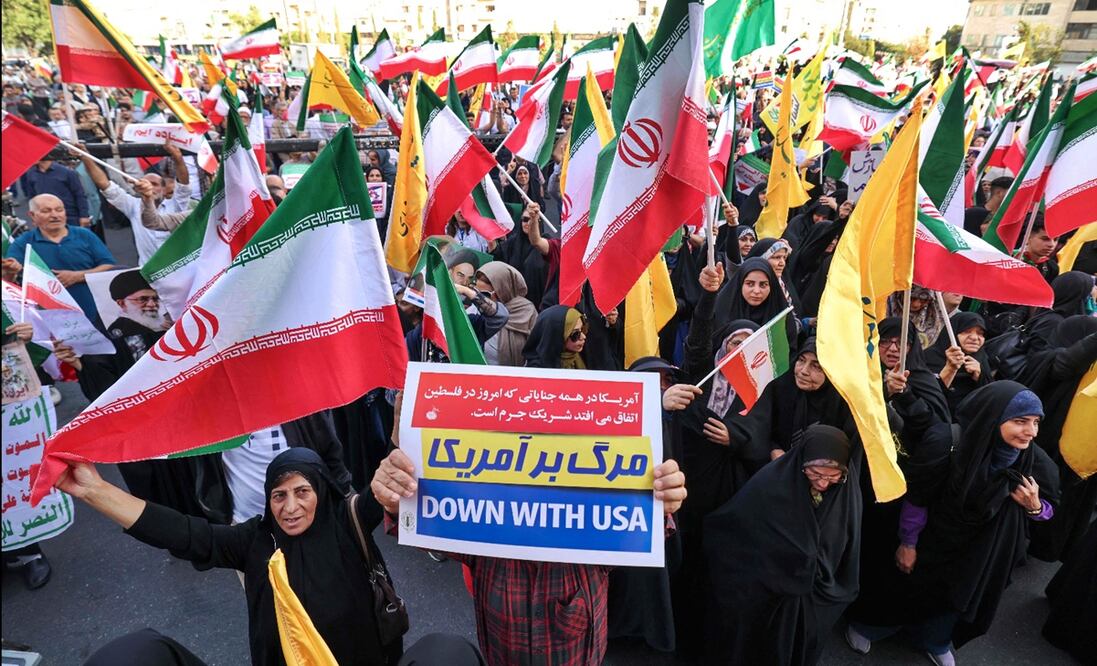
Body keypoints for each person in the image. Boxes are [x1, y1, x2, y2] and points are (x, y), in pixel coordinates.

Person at [54, 448, 404, 665]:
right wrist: (95, 491)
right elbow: (183, 532)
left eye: (302, 492)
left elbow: (392, 478)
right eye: (278, 496)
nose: (291, 507)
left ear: (322, 491)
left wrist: (401, 427)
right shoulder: (253, 540)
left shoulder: (349, 518)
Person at [371, 429, 687, 665]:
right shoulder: (483, 529)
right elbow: (422, 521)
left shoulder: (587, 527)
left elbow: (637, 529)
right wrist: (398, 499)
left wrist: (660, 505)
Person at [904, 382, 1059, 665]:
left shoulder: (1035, 462)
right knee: (909, 588)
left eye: (1036, 422)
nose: (1031, 432)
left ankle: (936, 641)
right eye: (1020, 421)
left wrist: (1034, 507)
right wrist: (908, 542)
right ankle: (880, 625)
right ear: (994, 416)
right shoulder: (947, 442)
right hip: (932, 540)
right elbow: (917, 497)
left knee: (957, 598)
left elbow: (1049, 511)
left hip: (981, 554)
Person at [703, 425, 862, 665]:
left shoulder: (846, 491)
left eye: (832, 476)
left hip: (815, 591)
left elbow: (846, 542)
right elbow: (741, 533)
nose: (823, 483)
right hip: (768, 586)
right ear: (800, 462)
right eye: (815, 473)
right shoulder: (771, 483)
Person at [4, 193, 115, 328]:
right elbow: (9, 281)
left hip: (99, 315)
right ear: (32, 215)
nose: (55, 215)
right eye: (46, 211)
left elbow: (109, 266)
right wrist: (11, 271)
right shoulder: (23, 244)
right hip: (54, 322)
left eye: (59, 209)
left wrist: (78, 276)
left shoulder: (84, 235)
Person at [80, 143, 192, 263]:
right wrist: (85, 157)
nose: (149, 187)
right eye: (145, 183)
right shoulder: (133, 205)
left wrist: (177, 157)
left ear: (164, 190)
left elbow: (183, 184)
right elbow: (105, 185)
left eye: (154, 184)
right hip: (149, 272)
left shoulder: (177, 204)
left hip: (180, 269)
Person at [924, 312, 992, 414]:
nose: (974, 337)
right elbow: (925, 395)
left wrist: (980, 376)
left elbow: (989, 399)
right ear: (952, 333)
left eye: (980, 333)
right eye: (966, 331)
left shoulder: (982, 358)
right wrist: (949, 369)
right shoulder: (929, 357)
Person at [474, 262, 537, 366]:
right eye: (477, 293)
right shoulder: (475, 307)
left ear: (503, 289)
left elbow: (536, 349)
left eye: (486, 295)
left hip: (514, 377)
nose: (482, 299)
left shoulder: (526, 311)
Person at [1026, 271, 1095, 353]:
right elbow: (1037, 359)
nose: (1092, 300)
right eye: (1088, 295)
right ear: (1077, 296)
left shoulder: (1054, 316)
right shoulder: (1053, 322)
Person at [19, 159, 91, 227]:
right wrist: (34, 217)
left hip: (70, 216)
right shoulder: (31, 173)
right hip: (45, 217)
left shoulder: (66, 172)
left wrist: (84, 215)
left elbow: (79, 194)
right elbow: (32, 197)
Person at [522, 305, 588, 369]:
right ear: (557, 336)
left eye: (582, 329)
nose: (583, 337)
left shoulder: (575, 356)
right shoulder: (536, 371)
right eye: (576, 334)